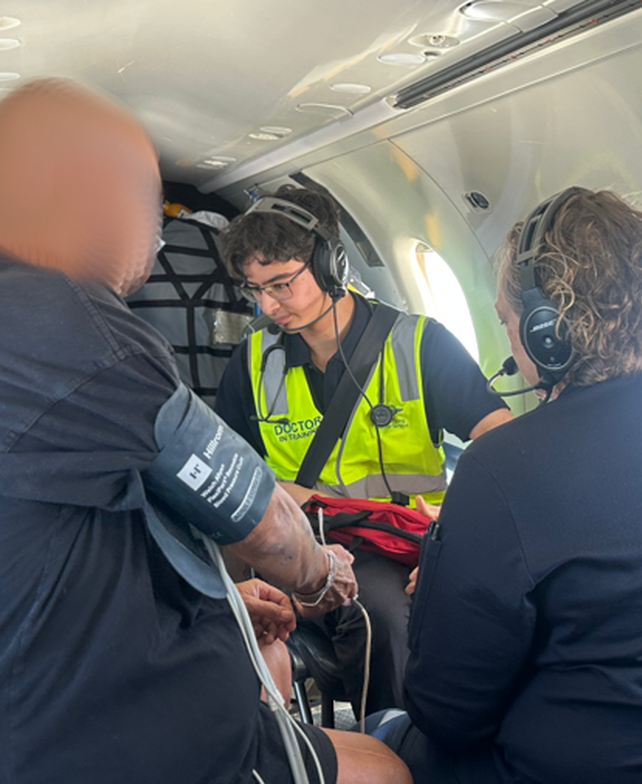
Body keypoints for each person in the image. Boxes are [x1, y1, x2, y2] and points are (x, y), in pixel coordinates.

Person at [0, 79, 412, 784]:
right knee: (386, 766)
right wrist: (325, 575)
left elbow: (6, 532)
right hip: (22, 731)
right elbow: (265, 526)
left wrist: (222, 601)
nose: (155, 231)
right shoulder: (72, 326)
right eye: (148, 207)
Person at [383, 187, 642, 784]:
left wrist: (438, 599)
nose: (509, 342)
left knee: (382, 731)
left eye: (506, 321)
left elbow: (446, 713)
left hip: (547, 770)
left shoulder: (502, 467)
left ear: (545, 329)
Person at [214, 185, 512, 714]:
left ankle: (420, 742)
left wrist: (458, 528)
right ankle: (353, 746)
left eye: (281, 284)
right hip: (304, 549)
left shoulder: (420, 343)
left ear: (332, 264)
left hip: (400, 543)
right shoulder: (254, 360)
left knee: (417, 612)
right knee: (360, 611)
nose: (266, 305)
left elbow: (503, 439)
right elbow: (223, 466)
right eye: (254, 289)